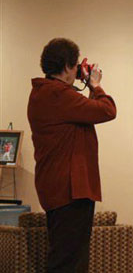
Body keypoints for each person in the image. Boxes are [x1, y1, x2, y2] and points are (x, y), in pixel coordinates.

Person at [27, 38, 116, 273]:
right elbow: (107, 110)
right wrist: (94, 84)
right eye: (75, 64)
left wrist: (84, 83)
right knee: (69, 263)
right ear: (67, 66)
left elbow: (84, 113)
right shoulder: (58, 95)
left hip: (57, 188)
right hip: (70, 191)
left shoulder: (44, 93)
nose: (77, 69)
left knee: (66, 257)